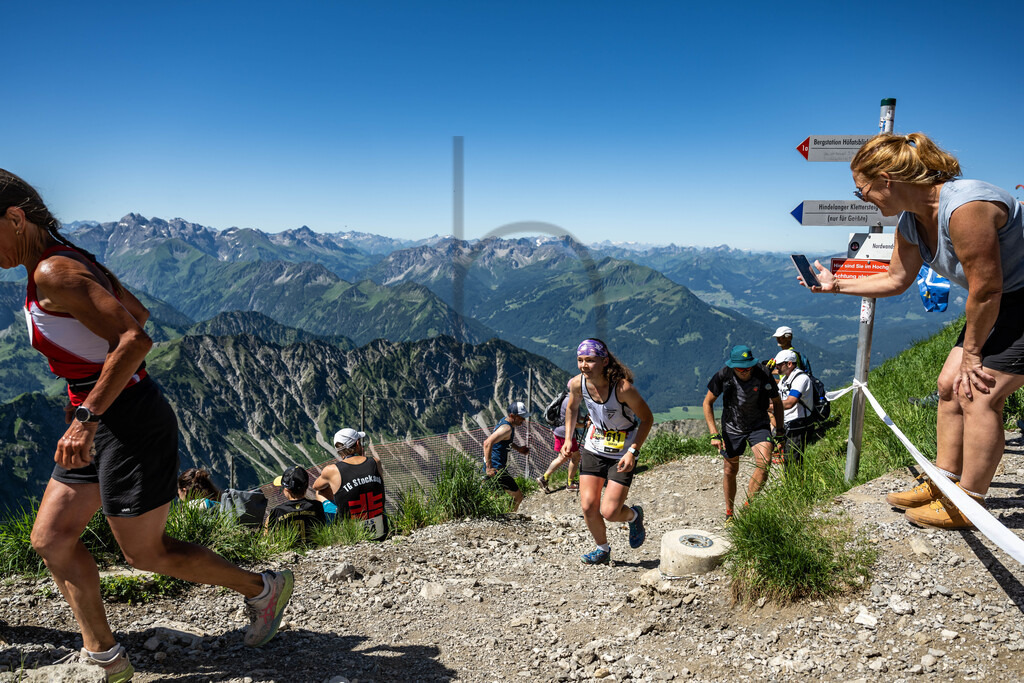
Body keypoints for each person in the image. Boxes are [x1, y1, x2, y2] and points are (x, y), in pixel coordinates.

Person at [1, 170, 292, 682]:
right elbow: (138, 310)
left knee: (145, 553)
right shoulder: (65, 259)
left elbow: (134, 337)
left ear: (15, 218)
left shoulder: (53, 271)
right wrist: (85, 402)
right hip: (102, 418)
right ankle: (106, 659)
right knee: (51, 538)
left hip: (127, 423)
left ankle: (263, 589)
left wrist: (87, 417)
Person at [803, 132, 1024, 530]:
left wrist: (973, 354)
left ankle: (970, 503)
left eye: (862, 190)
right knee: (947, 385)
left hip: (1016, 300)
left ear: (887, 179)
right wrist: (837, 285)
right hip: (1003, 302)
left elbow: (987, 287)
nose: (863, 199)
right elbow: (896, 279)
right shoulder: (910, 222)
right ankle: (945, 481)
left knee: (978, 393)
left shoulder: (965, 207)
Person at [562, 339, 653, 564]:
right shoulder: (577, 384)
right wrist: (568, 438)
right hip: (594, 448)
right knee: (588, 506)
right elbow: (572, 408)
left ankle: (634, 516)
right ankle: (602, 549)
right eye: (580, 360)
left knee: (610, 512)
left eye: (590, 360)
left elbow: (647, 419)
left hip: (621, 453)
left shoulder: (622, 389)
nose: (584, 365)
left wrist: (633, 451)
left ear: (604, 361)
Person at [703, 345, 785, 522]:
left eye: (748, 367)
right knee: (730, 470)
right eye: (740, 368)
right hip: (732, 427)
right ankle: (730, 513)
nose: (745, 371)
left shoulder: (763, 373)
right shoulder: (723, 375)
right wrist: (713, 433)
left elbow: (777, 403)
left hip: (759, 424)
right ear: (733, 366)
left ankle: (748, 508)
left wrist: (780, 431)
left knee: (765, 463)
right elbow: (707, 403)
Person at [312, 428, 388, 540]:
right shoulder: (375, 462)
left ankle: (334, 526)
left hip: (352, 537)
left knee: (321, 491)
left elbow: (315, 486)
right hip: (382, 533)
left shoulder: (331, 470)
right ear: (357, 443)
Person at [481, 402, 531, 512]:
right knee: (518, 497)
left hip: (493, 466)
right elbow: (487, 443)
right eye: (521, 417)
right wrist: (489, 468)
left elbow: (503, 440)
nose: (523, 420)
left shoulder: (506, 422)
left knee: (493, 497)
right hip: (497, 468)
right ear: (512, 416)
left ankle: (490, 518)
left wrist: (518, 448)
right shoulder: (507, 429)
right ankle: (509, 516)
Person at [536, 391, 585, 493]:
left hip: (558, 431)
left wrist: (584, 419)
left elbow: (573, 416)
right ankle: (570, 484)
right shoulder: (571, 401)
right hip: (566, 433)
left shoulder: (566, 398)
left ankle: (544, 478)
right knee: (575, 458)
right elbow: (573, 423)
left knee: (562, 458)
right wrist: (585, 425)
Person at [771, 349, 814, 467]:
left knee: (792, 462)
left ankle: (797, 484)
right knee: (788, 460)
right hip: (788, 423)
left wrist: (766, 407)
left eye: (779, 365)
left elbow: (790, 402)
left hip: (798, 425)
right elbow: (778, 398)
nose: (776, 368)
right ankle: (791, 482)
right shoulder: (785, 379)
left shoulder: (801, 379)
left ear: (789, 364)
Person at [266, 466, 327, 544]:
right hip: (315, 547)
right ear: (306, 486)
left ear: (286, 490)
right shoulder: (317, 506)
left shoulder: (277, 511)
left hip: (289, 550)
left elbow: (269, 537)